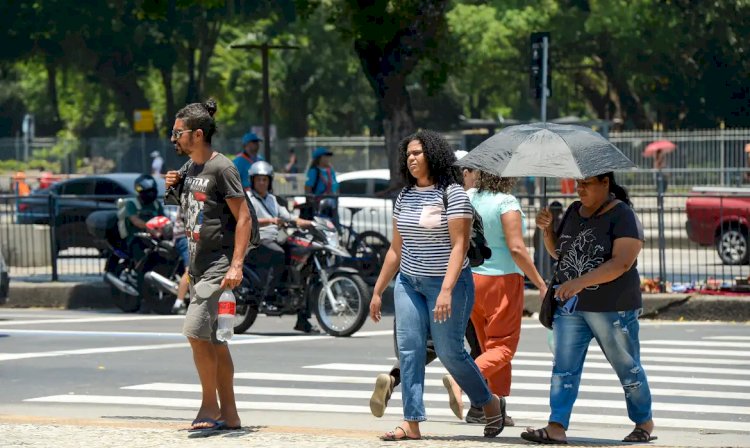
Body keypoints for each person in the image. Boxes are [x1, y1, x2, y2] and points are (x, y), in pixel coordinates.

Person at [369, 130, 504, 441]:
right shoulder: (404, 196)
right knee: (410, 351)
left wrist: (445, 290)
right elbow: (395, 248)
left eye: (417, 153)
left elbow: (458, 246)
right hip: (409, 282)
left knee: (449, 351)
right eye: (408, 155)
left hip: (450, 285)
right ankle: (411, 422)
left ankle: (489, 402)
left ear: (434, 155)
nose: (411, 159)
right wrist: (377, 291)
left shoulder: (453, 194)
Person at [522, 172, 655, 444]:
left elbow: (622, 263)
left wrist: (580, 282)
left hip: (612, 307)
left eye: (585, 184)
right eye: (578, 183)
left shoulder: (623, 215)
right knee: (563, 368)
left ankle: (644, 422)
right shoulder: (573, 210)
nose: (579, 189)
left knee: (627, 367)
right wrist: (547, 231)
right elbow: (560, 252)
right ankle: (556, 426)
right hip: (572, 307)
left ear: (605, 183)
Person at [165, 99, 252, 432]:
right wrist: (173, 186)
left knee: (195, 333)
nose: (174, 138)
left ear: (197, 134)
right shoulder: (189, 169)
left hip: (219, 266)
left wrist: (236, 265)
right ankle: (230, 414)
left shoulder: (222, 168)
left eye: (179, 133)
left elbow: (242, 217)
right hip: (199, 266)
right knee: (215, 340)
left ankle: (209, 406)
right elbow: (190, 211)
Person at [454, 170, 547, 426]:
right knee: (503, 348)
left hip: (472, 278)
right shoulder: (507, 202)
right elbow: (516, 247)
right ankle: (459, 379)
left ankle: (497, 408)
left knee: (488, 348)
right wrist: (540, 282)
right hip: (502, 280)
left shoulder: (469, 195)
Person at [244, 161, 318, 333]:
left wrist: (309, 223)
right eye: (258, 180)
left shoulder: (272, 200)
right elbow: (247, 220)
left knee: (304, 260)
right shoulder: (248, 199)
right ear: (253, 181)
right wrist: (270, 221)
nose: (262, 183)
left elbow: (289, 217)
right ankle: (269, 296)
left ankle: (302, 318)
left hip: (275, 239)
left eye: (265, 180)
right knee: (278, 254)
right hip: (257, 241)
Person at [301, 146, 338, 220]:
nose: (328, 158)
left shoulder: (330, 171)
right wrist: (311, 201)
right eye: (325, 156)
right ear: (319, 158)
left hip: (331, 205)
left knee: (334, 227)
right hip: (318, 206)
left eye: (328, 156)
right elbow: (308, 187)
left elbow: (335, 185)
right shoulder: (314, 171)